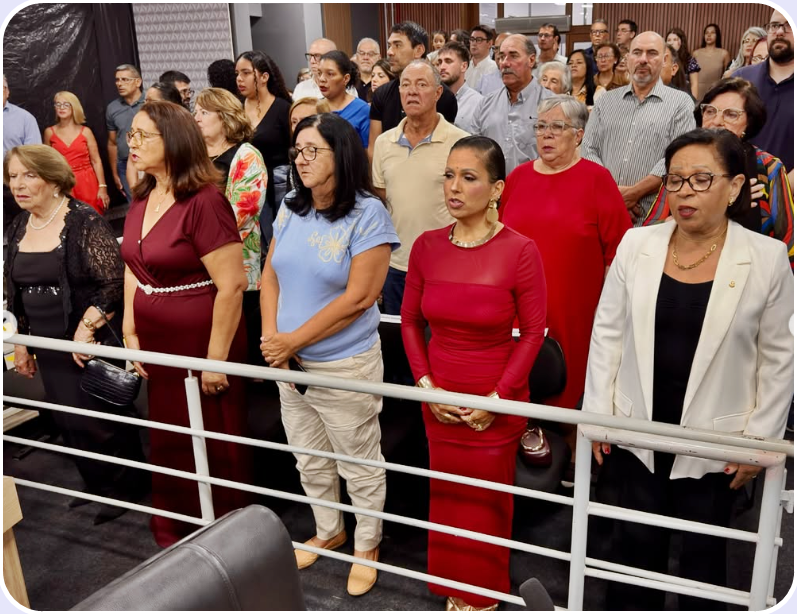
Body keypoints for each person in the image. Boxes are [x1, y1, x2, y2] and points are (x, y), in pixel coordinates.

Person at [584, 128, 793, 610]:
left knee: (704, 556)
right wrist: (598, 416)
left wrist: (760, 443)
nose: (685, 193)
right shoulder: (638, 245)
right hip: (635, 427)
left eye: (702, 179)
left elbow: (779, 358)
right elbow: (607, 333)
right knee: (634, 550)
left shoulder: (764, 258)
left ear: (735, 186)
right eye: (676, 181)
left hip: (719, 440)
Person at [401, 136, 546, 612]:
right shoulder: (425, 246)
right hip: (438, 397)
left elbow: (533, 333)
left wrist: (497, 399)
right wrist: (426, 389)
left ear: (497, 187)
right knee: (446, 495)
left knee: (485, 502)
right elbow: (410, 321)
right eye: (449, 175)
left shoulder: (521, 250)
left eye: (469, 177)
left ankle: (480, 593)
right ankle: (451, 585)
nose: (454, 187)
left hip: (496, 403)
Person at [260, 113, 399, 597]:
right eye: (297, 151)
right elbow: (270, 274)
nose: (301, 160)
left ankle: (366, 544)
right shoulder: (292, 206)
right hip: (287, 361)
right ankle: (328, 529)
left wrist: (291, 342)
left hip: (343, 364)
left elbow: (360, 298)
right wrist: (271, 339)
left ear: (341, 154)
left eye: (312, 150)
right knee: (309, 457)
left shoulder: (368, 214)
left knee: (358, 462)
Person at [120, 100, 252, 548]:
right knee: (170, 433)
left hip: (202, 340)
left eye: (142, 136)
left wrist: (216, 362)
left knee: (212, 437)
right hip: (158, 338)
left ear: (173, 142)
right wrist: (130, 328)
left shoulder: (205, 201)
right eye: (131, 135)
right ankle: (177, 527)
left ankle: (225, 535)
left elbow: (232, 285)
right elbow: (131, 266)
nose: (130, 143)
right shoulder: (142, 195)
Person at [4, 145, 146, 525]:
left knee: (99, 418)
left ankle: (128, 488)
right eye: (13, 176)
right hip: (46, 344)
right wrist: (20, 345)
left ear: (53, 180)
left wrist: (85, 329)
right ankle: (96, 483)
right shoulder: (19, 224)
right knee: (66, 419)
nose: (18, 184)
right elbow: (12, 292)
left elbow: (112, 283)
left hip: (85, 341)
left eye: (29, 175)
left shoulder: (84, 220)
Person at [501, 96, 629, 443]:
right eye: (541, 126)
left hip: (574, 310)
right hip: (515, 306)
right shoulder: (518, 178)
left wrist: (610, 307)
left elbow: (619, 252)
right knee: (516, 382)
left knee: (570, 385)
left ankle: (575, 459)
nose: (547, 134)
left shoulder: (597, 179)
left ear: (579, 135)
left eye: (557, 127)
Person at [644, 78, 794, 265]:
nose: (716, 121)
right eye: (710, 111)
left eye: (731, 114)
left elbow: (790, 241)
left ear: (749, 123)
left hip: (752, 272)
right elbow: (650, 229)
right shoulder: (682, 162)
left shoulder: (767, 167)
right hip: (682, 264)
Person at [372, 60, 469, 314]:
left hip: (446, 265)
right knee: (401, 344)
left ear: (438, 93)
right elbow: (383, 200)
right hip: (396, 266)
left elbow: (470, 208)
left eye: (421, 84)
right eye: (405, 85)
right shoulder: (384, 142)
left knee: (442, 342)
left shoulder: (461, 142)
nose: (412, 91)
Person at [582, 32, 696, 225]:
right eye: (637, 52)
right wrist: (612, 194)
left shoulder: (680, 103)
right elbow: (588, 149)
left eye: (651, 53)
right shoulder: (606, 102)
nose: (643, 59)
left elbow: (679, 157)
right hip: (602, 208)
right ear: (627, 59)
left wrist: (634, 193)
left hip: (651, 215)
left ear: (664, 59)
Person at [194, 87, 270, 362]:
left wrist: (194, 235)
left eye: (204, 112)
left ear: (225, 118)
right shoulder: (195, 155)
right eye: (196, 111)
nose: (197, 117)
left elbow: (244, 210)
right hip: (197, 264)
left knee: (240, 344)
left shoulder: (246, 155)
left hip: (237, 261)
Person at [368, 21, 458, 158]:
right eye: (389, 45)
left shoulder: (443, 95)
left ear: (418, 50)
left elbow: (448, 147)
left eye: (397, 45)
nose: (390, 52)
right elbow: (373, 149)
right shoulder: (381, 94)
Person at [473, 34, 552, 174]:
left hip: (535, 189)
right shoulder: (485, 104)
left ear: (531, 60)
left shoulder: (552, 104)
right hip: (492, 191)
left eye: (513, 56)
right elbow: (474, 153)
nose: (505, 63)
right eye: (501, 56)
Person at [734, 9, 794, 174]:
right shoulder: (741, 78)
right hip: (741, 186)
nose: (779, 32)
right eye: (774, 25)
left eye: (788, 25)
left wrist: (782, 187)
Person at [235, 50, 292, 221]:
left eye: (245, 73)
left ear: (264, 77)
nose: (239, 79)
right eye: (237, 74)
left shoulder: (283, 108)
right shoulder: (235, 108)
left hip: (278, 185)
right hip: (245, 185)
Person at [44, 92, 109, 215]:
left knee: (93, 218)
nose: (61, 107)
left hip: (87, 182)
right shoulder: (49, 133)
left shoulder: (86, 132)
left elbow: (96, 161)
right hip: (63, 182)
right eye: (58, 104)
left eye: (66, 104)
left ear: (74, 107)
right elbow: (47, 164)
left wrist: (102, 187)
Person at [3, 75, 42, 238]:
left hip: (16, 185)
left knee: (25, 231)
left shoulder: (24, 119)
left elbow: (34, 155)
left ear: (6, 91)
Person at [106, 63, 145, 200]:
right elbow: (112, 143)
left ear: (138, 82)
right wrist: (115, 173)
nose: (119, 84)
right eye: (117, 80)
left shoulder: (150, 101)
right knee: (135, 204)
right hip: (124, 164)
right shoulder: (112, 108)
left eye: (125, 79)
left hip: (150, 160)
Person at [318, 51, 370, 148]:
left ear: (346, 78)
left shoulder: (362, 110)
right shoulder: (315, 107)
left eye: (330, 74)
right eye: (319, 73)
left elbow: (367, 153)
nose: (321, 79)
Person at [436, 41, 483, 134]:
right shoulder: (432, 99)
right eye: (439, 62)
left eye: (448, 61)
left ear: (464, 66)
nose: (442, 67)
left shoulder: (479, 103)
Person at [692, 24, 731, 101]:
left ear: (717, 35)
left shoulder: (724, 54)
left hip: (715, 93)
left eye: (712, 32)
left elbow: (727, 78)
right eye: (706, 33)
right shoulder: (695, 54)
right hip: (697, 94)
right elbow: (692, 78)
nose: (709, 35)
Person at [666, 28, 701, 99]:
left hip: (684, 96)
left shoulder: (689, 60)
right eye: (669, 40)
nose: (671, 43)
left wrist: (693, 102)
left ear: (681, 42)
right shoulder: (663, 59)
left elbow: (694, 84)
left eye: (675, 40)